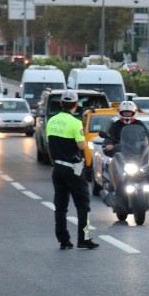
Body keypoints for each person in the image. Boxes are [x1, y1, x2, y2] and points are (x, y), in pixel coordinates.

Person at [48, 91, 98, 250]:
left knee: (60, 206)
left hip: (57, 168)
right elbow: (82, 146)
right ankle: (84, 239)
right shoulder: (75, 122)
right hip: (73, 169)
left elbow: (50, 143)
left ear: (62, 103)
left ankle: (63, 240)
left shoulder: (51, 121)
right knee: (83, 206)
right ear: (75, 105)